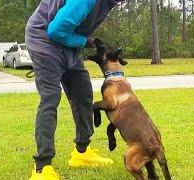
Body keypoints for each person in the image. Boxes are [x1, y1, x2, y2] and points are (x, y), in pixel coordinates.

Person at [25, 0, 123, 179]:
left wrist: (89, 40)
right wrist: (88, 40)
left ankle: (81, 153)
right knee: (50, 99)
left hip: (66, 45)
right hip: (44, 41)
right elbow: (55, 31)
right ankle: (42, 168)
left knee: (83, 93)